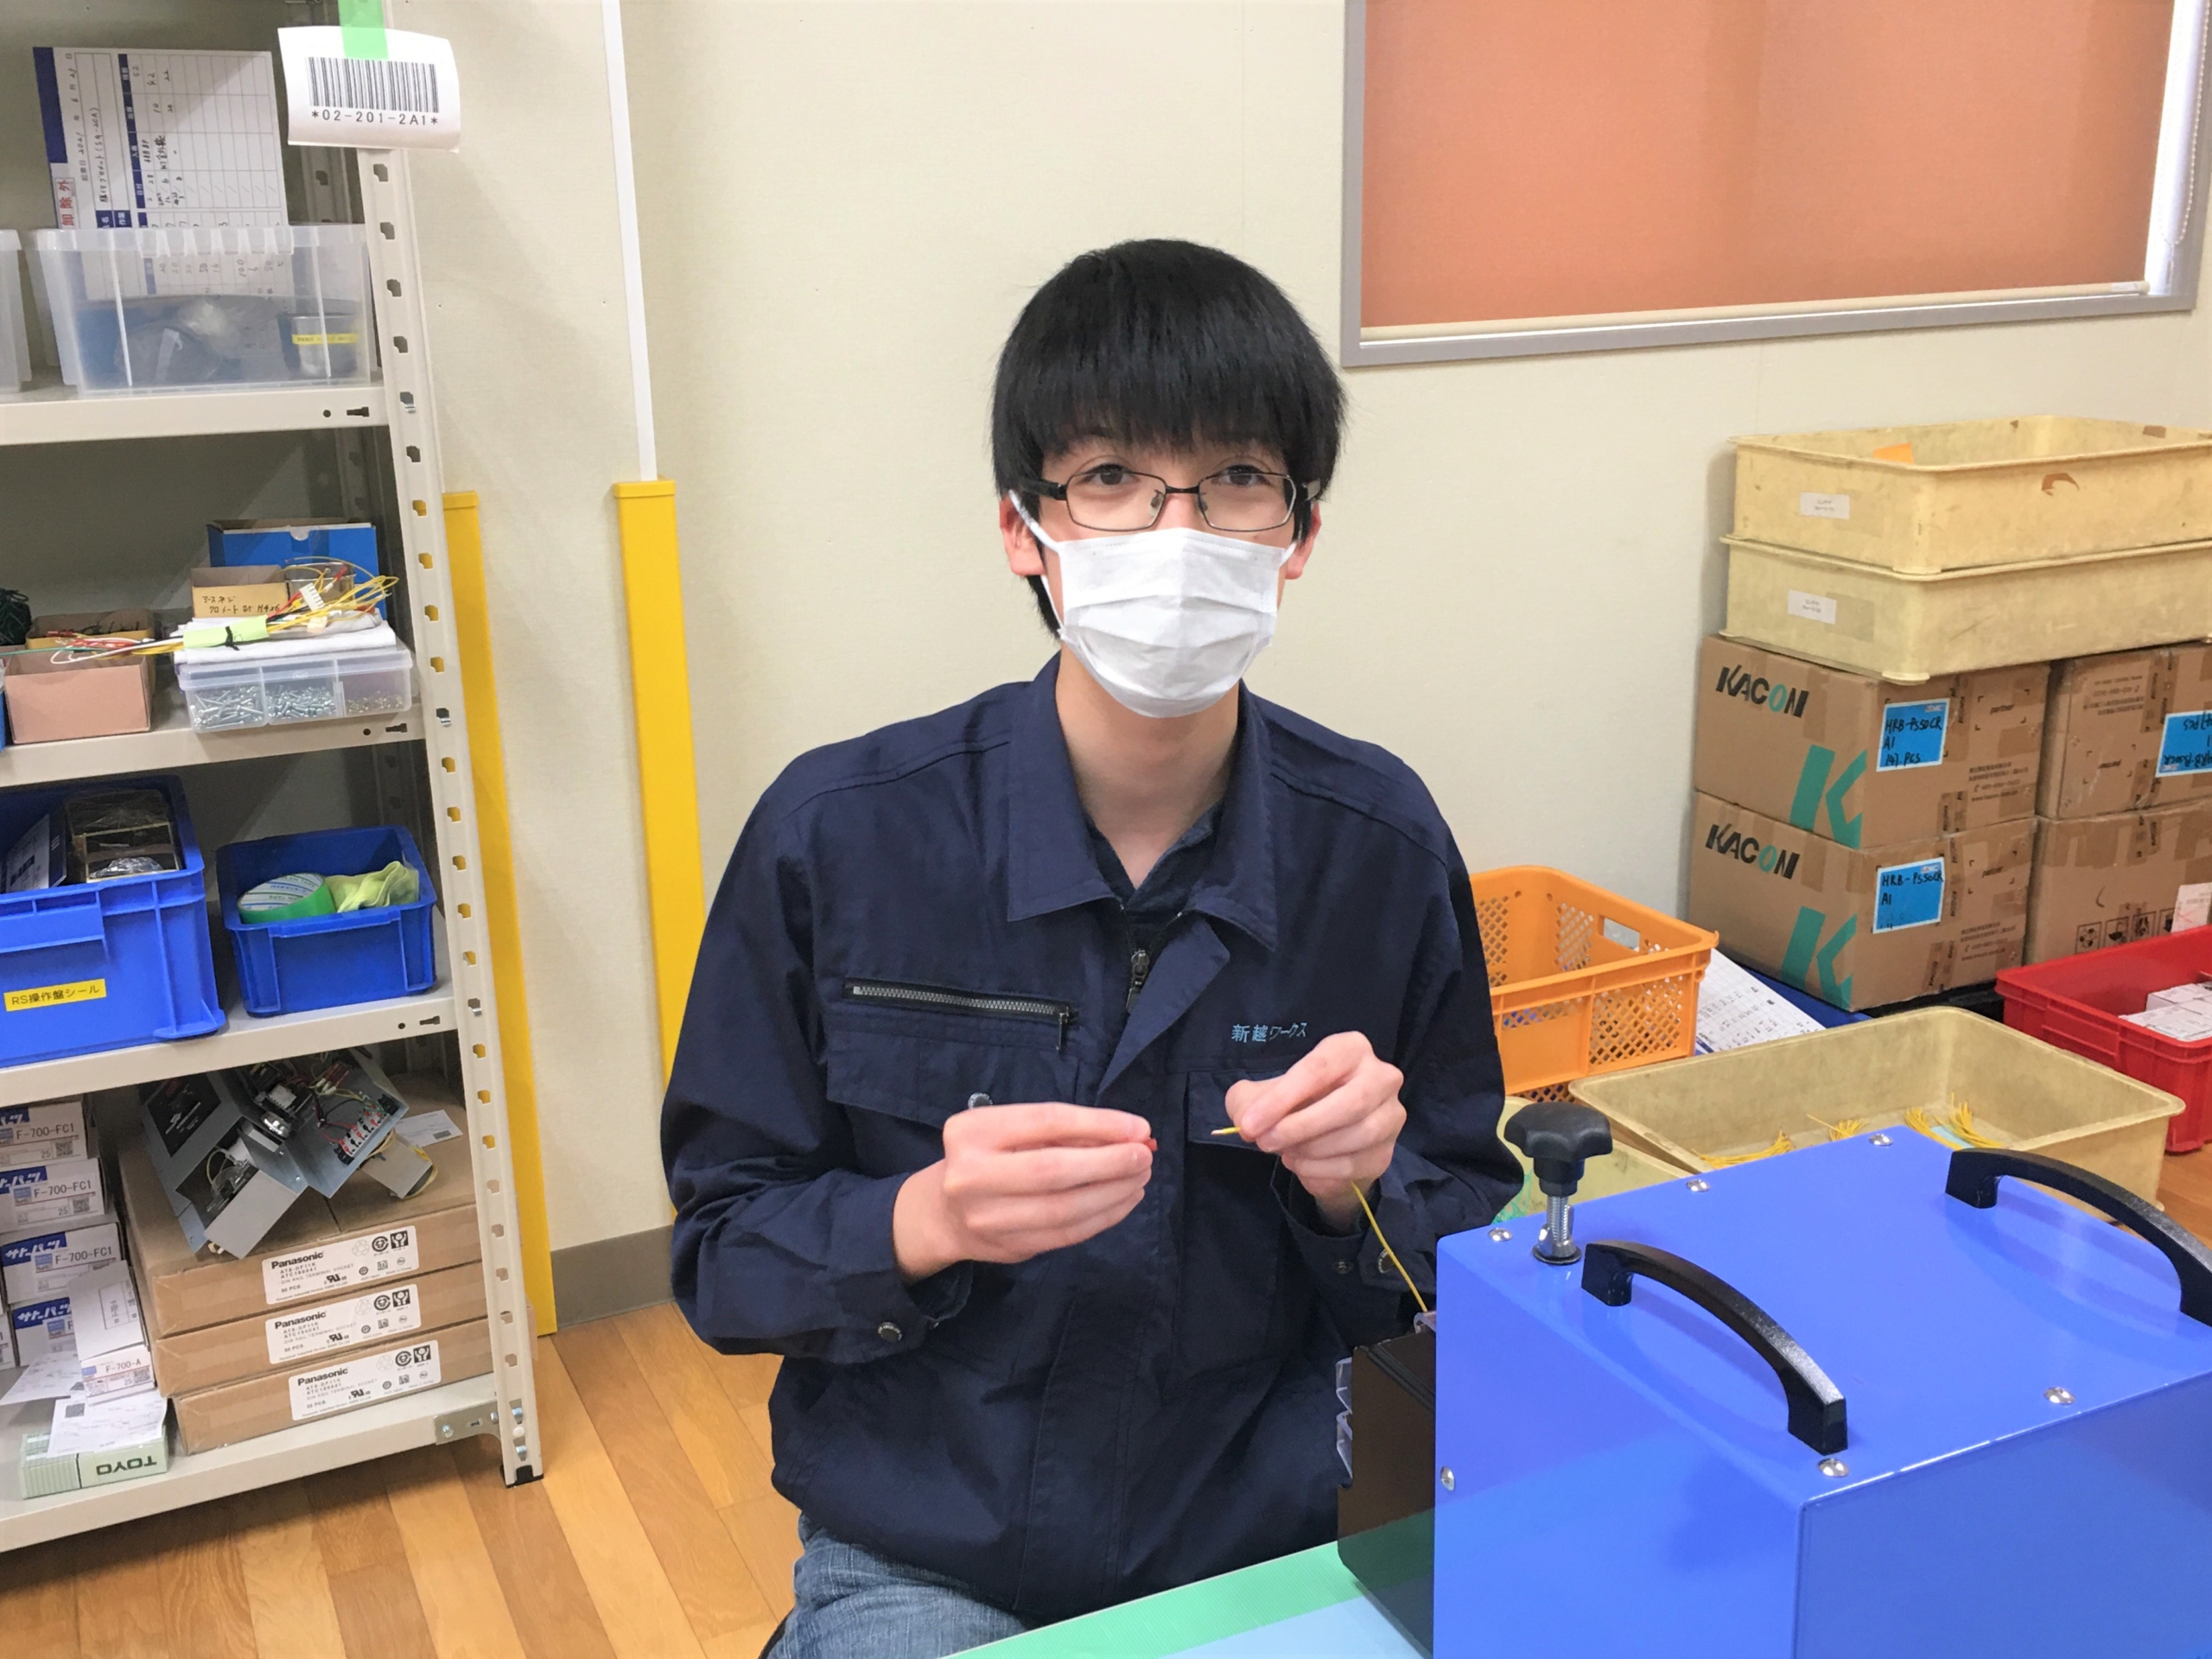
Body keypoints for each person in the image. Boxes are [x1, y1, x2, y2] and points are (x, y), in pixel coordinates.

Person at [664, 238, 1519, 1659]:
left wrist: (1355, 1193)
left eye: (1235, 478)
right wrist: (924, 1218)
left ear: (1298, 534)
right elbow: (721, 1253)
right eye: (1113, 477)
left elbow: (1463, 1253)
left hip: (1278, 1531)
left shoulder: (1377, 846)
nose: (1177, 533)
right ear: (1025, 527)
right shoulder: (838, 837)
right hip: (932, 1551)